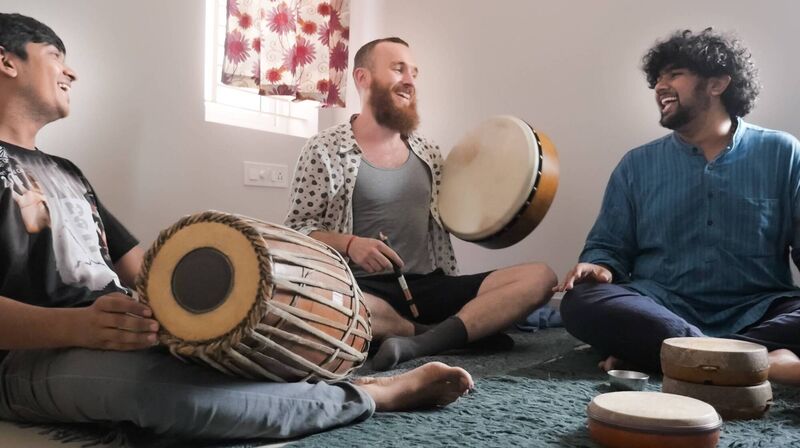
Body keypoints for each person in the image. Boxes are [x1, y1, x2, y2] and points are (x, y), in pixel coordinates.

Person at [0, 13, 474, 441]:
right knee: (164, 393)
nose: (71, 72)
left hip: (109, 330)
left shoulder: (66, 172)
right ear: (6, 61)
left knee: (237, 344)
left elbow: (142, 269)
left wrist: (213, 309)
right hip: (27, 354)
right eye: (55, 56)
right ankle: (370, 395)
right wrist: (78, 326)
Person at [285, 37, 557, 371]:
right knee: (318, 305)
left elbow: (461, 208)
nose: (410, 81)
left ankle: (417, 341)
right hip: (360, 288)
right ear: (362, 77)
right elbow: (297, 231)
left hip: (429, 283)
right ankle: (446, 334)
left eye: (414, 73)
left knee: (540, 277)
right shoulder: (324, 149)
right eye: (398, 69)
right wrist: (351, 244)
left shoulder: (428, 151)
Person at [554, 28, 800, 385]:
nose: (659, 87)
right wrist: (600, 266)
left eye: (674, 74)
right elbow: (607, 247)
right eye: (657, 78)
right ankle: (749, 360)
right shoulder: (636, 165)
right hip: (660, 307)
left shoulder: (782, 152)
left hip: (759, 308)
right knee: (581, 302)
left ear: (717, 84)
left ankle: (673, 356)